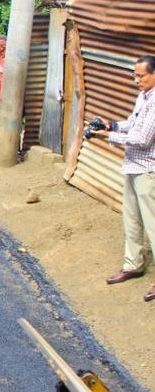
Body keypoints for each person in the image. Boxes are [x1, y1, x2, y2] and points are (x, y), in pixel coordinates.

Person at [92, 55, 155, 302]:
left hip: (148, 169)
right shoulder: (144, 96)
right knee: (131, 219)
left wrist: (106, 138)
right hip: (132, 166)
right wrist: (112, 125)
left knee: (152, 224)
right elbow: (133, 124)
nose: (136, 80)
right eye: (135, 75)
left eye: (141, 76)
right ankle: (133, 264)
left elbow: (143, 139)